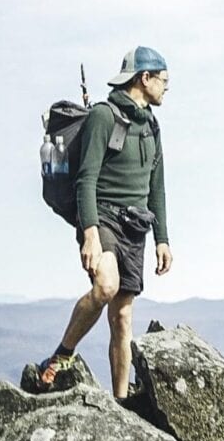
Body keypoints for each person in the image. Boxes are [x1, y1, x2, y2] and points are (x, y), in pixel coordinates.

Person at [38, 46, 172, 399]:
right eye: (163, 80)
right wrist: (90, 234)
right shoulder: (103, 116)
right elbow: (86, 178)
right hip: (104, 218)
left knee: (123, 318)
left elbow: (156, 183)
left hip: (136, 227)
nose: (166, 88)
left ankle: (120, 402)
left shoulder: (151, 125)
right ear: (145, 78)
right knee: (106, 286)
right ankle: (62, 354)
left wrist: (163, 239)